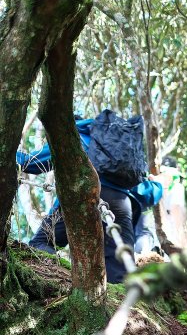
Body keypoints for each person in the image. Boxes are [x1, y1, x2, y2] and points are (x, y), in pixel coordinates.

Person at [16, 117, 163, 282]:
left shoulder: (70, 135)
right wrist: (158, 184)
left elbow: (29, 164)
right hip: (121, 204)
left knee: (41, 243)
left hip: (81, 196)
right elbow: (146, 194)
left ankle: (65, 281)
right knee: (120, 273)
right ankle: (121, 305)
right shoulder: (114, 150)